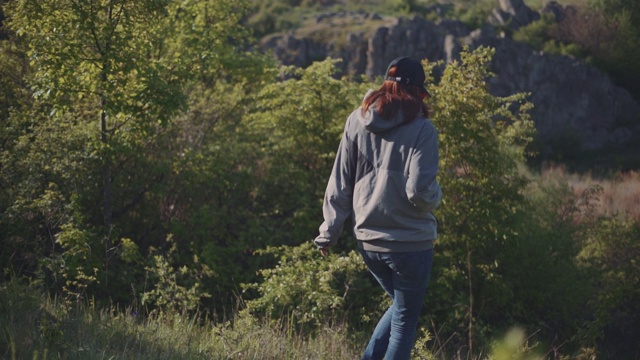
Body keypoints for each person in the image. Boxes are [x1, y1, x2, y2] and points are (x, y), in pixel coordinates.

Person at [314, 56, 443, 360]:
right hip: (411, 243)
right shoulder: (423, 130)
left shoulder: (355, 120)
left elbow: (340, 182)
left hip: (369, 243)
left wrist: (328, 232)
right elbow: (420, 191)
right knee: (404, 320)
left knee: (401, 309)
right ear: (417, 92)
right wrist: (437, 196)